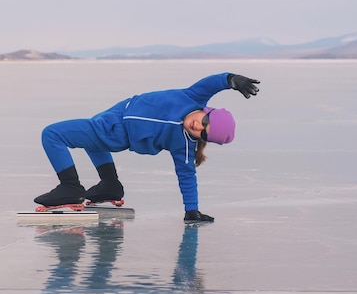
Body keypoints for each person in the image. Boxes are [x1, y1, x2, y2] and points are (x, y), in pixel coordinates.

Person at [34, 72, 260, 222]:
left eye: (203, 134)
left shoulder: (183, 143)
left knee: (52, 134)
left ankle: (70, 187)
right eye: (204, 123)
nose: (197, 128)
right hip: (118, 112)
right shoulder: (192, 97)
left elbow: (186, 174)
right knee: (92, 141)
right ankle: (110, 185)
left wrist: (191, 210)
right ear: (207, 110)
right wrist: (232, 80)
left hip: (116, 130)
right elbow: (211, 84)